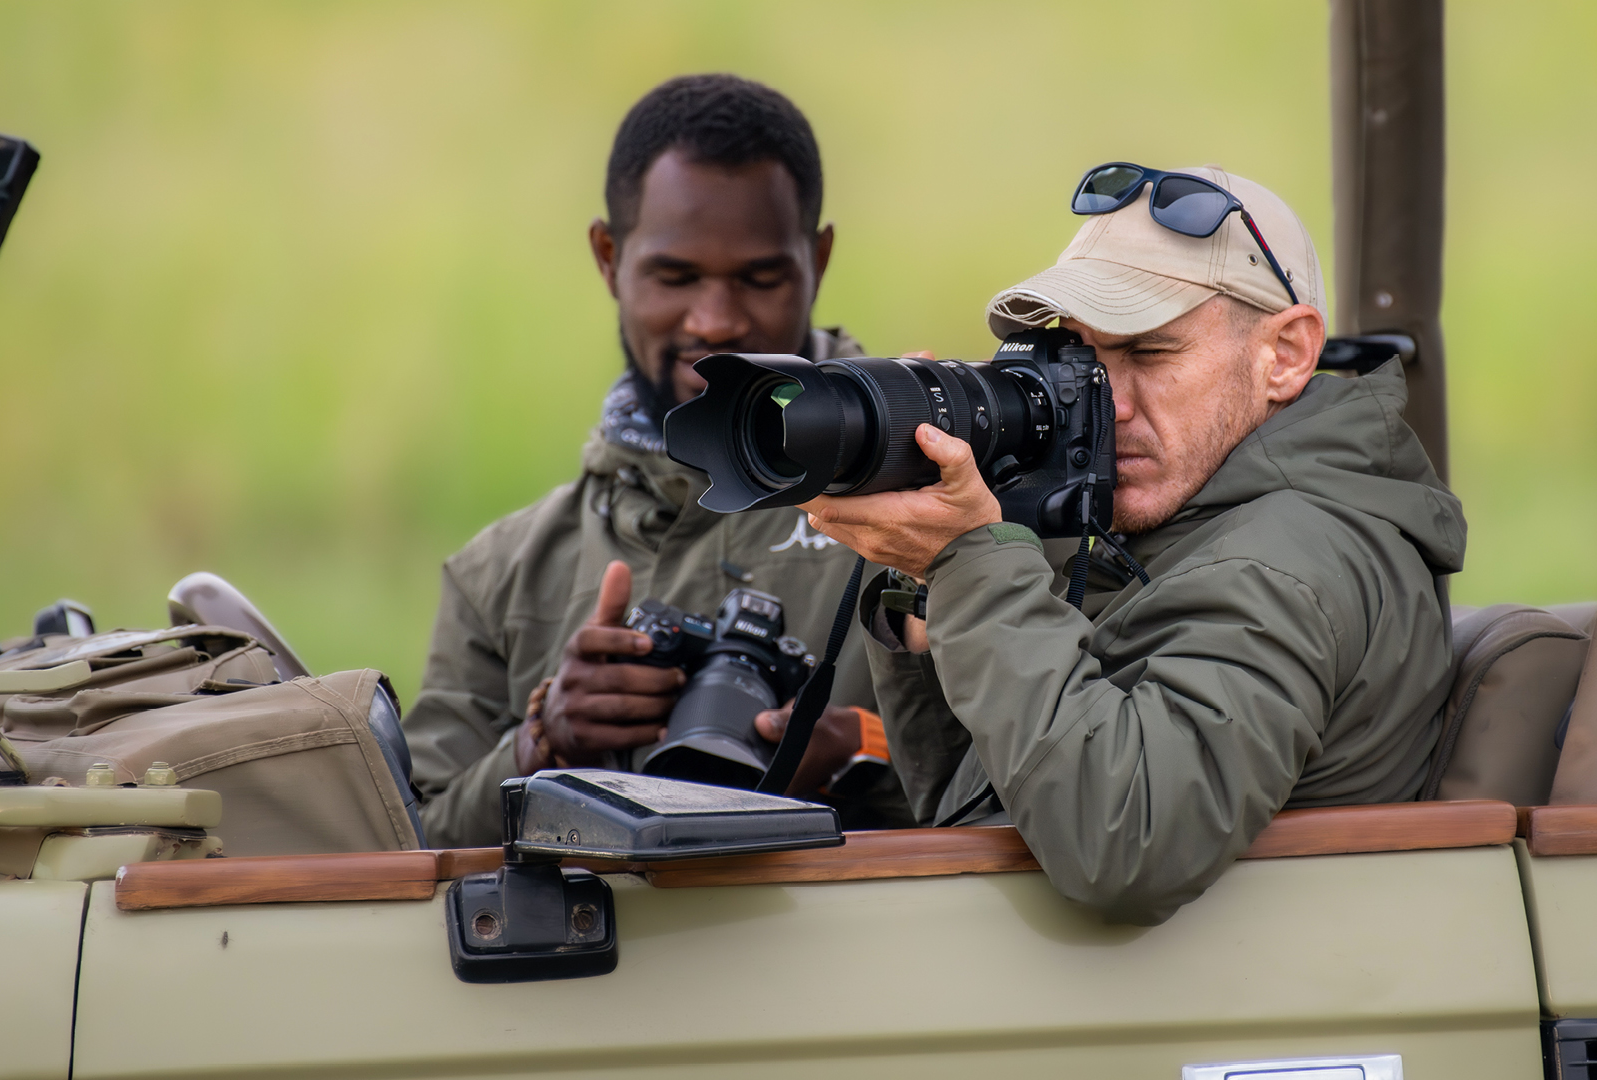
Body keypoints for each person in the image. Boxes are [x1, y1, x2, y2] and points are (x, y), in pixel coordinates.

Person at [798, 163, 1467, 925]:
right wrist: (930, 585)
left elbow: (1126, 841)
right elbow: (982, 804)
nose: (1103, 403)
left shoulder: (1283, 561)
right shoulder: (1170, 522)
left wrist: (974, 567)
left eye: (1150, 354)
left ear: (1284, 354)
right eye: (1080, 355)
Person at [403, 74, 911, 848]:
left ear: (818, 257)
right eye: (674, 278)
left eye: (761, 277)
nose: (716, 320)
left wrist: (867, 753)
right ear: (609, 257)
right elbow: (413, 852)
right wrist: (544, 742)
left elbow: (1043, 794)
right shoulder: (500, 574)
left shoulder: (937, 507)